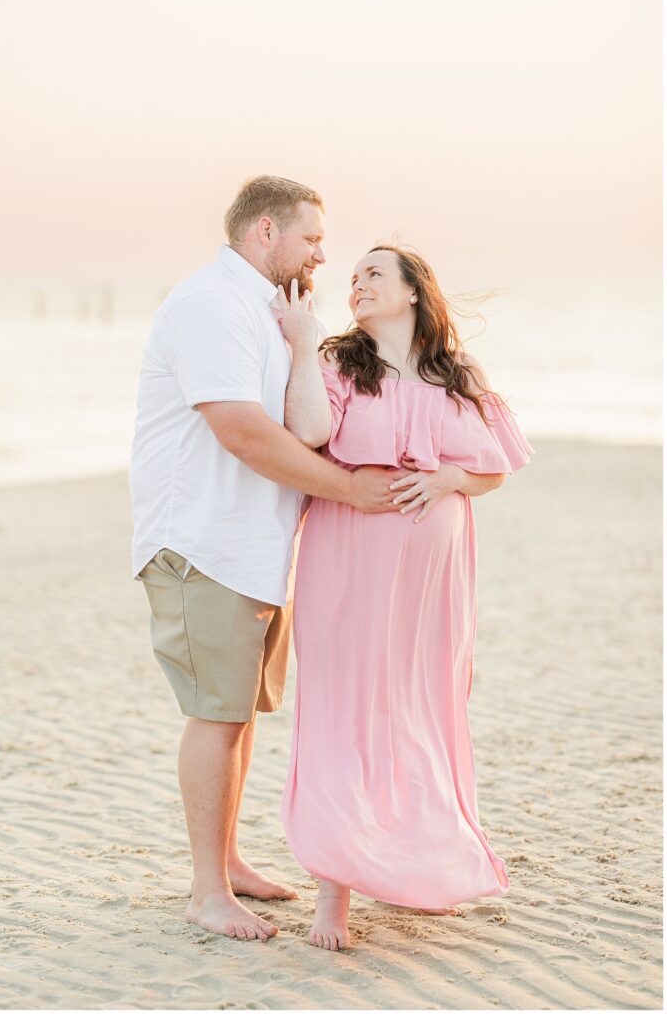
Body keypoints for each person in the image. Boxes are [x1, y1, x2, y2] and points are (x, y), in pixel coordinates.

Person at [129, 176, 401, 943]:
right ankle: (206, 892)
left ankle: (231, 862)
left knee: (238, 714)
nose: (322, 253)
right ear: (266, 231)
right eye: (312, 238)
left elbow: (302, 418)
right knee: (214, 716)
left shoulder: (265, 309)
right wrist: (351, 493)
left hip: (252, 548)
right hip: (201, 543)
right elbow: (242, 431)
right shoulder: (210, 305)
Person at [277, 244, 534, 951]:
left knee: (421, 707)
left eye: (372, 274)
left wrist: (449, 479)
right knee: (345, 706)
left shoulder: (458, 375)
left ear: (414, 291)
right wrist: (302, 346)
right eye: (351, 277)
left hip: (432, 578)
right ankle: (333, 890)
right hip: (348, 557)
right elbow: (306, 435)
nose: (355, 284)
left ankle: (416, 868)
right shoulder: (336, 362)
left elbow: (494, 470)